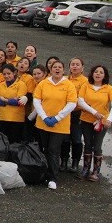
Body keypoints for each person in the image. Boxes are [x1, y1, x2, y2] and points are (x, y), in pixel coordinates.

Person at [33, 59, 78, 190]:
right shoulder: (43, 83)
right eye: (54, 67)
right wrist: (44, 117)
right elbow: (37, 100)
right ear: (50, 70)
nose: (57, 69)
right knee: (45, 148)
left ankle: (53, 177)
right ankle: (44, 174)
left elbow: (72, 103)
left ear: (63, 70)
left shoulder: (68, 85)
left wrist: (57, 117)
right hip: (43, 123)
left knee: (54, 150)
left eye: (59, 67)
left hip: (60, 125)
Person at [77, 65, 112, 181]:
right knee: (87, 144)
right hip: (86, 120)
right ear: (92, 73)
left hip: (101, 122)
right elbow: (80, 101)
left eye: (101, 72)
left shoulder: (108, 88)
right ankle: (85, 169)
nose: (98, 74)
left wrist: (109, 119)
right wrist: (94, 112)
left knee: (97, 146)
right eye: (96, 72)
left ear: (105, 75)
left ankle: (96, 171)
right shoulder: (86, 86)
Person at [62, 57, 86, 172]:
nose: (75, 66)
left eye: (77, 64)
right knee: (65, 139)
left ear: (82, 68)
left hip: (78, 113)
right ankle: (64, 161)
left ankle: (75, 162)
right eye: (72, 64)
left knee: (76, 139)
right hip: (65, 113)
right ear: (69, 67)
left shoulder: (85, 81)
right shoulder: (64, 79)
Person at [0, 63, 29, 142]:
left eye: (9, 73)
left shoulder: (21, 84)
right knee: (3, 142)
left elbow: (19, 102)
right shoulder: (0, 85)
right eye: (4, 74)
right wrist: (11, 100)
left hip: (16, 119)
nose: (6, 76)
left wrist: (5, 100)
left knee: (14, 142)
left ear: (14, 73)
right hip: (2, 118)